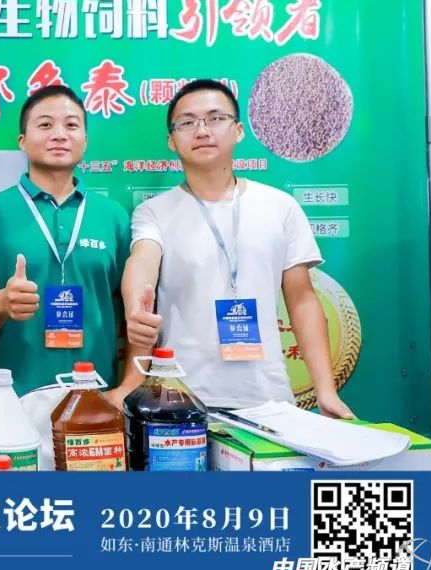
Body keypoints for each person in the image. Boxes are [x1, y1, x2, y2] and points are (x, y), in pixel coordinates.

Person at [120, 78, 353, 417]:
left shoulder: (280, 206)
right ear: (171, 140)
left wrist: (326, 392)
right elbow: (142, 260)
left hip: (270, 400)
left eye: (216, 118)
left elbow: (302, 300)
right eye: (187, 122)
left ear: (239, 130)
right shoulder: (154, 211)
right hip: (181, 401)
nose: (202, 131)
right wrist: (134, 307)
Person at [0, 84, 132, 402]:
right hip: (13, 397)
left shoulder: (112, 216)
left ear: (85, 139)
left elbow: (131, 310)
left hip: (96, 394)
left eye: (71, 125)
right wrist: (1, 303)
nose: (59, 134)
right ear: (22, 141)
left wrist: (127, 387)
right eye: (45, 125)